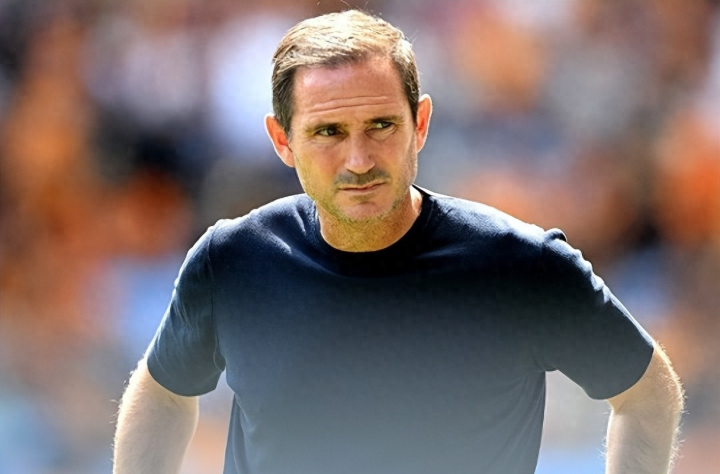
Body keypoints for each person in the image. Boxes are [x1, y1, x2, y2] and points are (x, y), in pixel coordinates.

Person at [112, 9, 684, 474]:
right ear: (282, 141)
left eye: (381, 126)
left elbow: (647, 394)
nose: (359, 160)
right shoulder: (233, 261)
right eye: (328, 132)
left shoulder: (521, 266)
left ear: (421, 124)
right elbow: (163, 392)